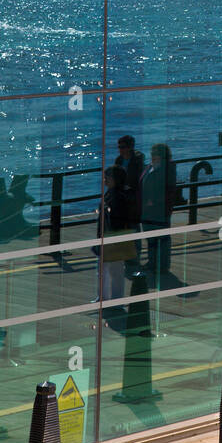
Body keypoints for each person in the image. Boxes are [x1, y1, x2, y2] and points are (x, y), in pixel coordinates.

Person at [96, 166, 134, 319]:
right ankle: (104, 297)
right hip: (108, 235)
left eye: (108, 177)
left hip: (114, 236)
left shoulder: (119, 196)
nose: (105, 180)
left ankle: (115, 299)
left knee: (114, 270)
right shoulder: (113, 194)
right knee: (104, 269)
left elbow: (119, 218)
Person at [140, 144, 176, 281]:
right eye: (152, 153)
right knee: (151, 238)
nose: (153, 155)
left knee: (162, 239)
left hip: (159, 209)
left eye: (156, 153)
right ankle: (152, 262)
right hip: (147, 209)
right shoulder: (150, 166)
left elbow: (169, 190)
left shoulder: (167, 170)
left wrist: (154, 201)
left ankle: (162, 266)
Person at [114, 135, 145, 271]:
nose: (120, 150)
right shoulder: (119, 160)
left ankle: (135, 257)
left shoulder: (138, 160)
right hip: (121, 199)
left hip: (133, 200)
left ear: (130, 147)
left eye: (123, 147)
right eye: (119, 147)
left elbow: (139, 179)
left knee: (134, 228)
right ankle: (127, 257)